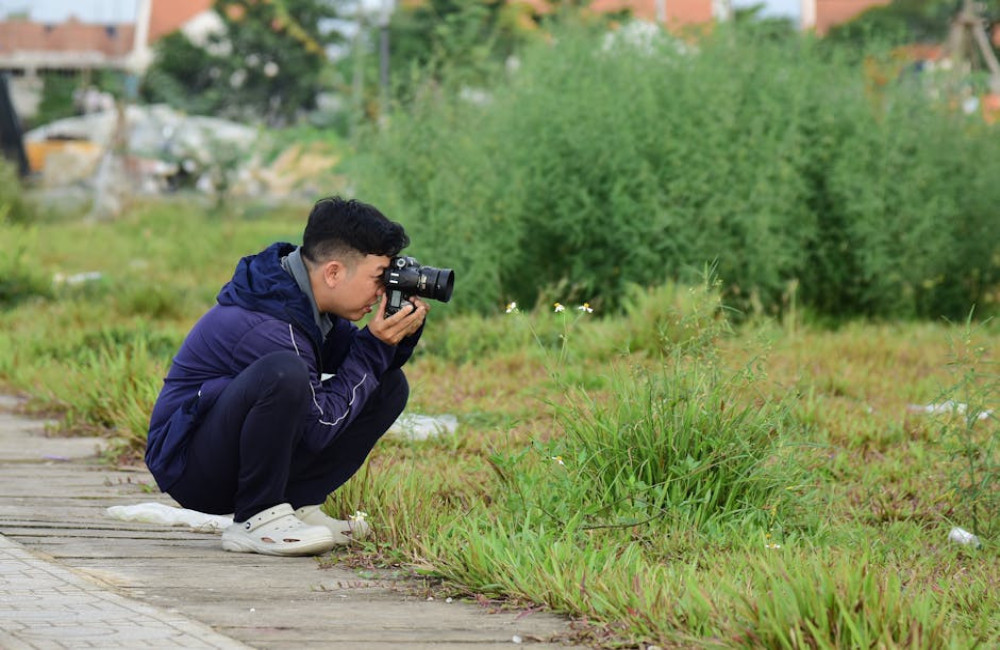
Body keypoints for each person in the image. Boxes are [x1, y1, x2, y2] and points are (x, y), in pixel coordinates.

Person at [145, 197, 428, 557]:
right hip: (191, 467)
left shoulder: (301, 299)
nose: (381, 292)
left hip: (230, 451)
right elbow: (318, 427)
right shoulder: (272, 323)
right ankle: (256, 519)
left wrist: (399, 330)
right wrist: (374, 346)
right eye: (378, 279)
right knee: (285, 373)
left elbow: (361, 369)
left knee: (387, 387)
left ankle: (297, 506)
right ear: (334, 272)